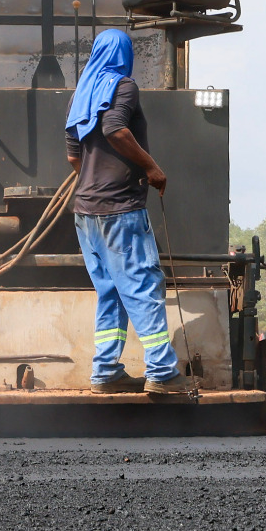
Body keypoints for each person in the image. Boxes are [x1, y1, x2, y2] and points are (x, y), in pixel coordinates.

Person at [65, 28, 183, 394]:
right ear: (124, 54)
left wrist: (94, 181)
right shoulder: (123, 85)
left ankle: (105, 371)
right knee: (145, 286)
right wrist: (152, 168)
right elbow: (115, 128)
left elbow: (73, 154)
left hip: (85, 212)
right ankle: (162, 373)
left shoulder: (82, 92)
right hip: (120, 209)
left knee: (111, 291)